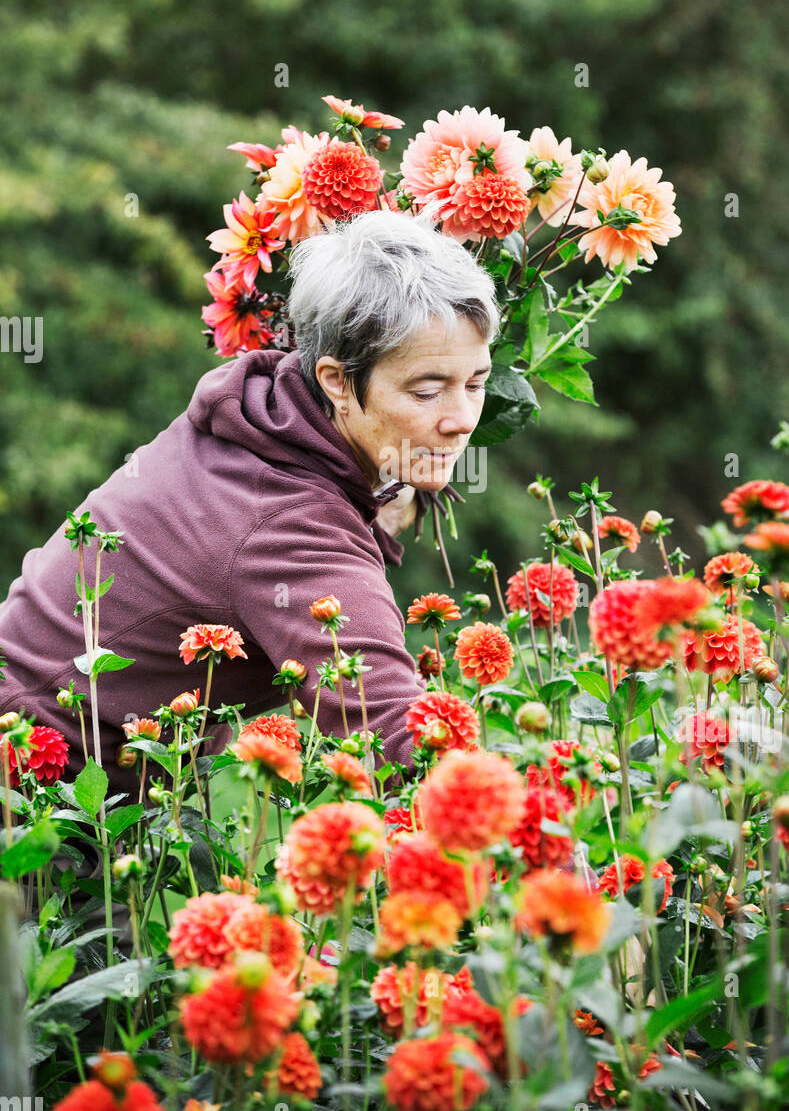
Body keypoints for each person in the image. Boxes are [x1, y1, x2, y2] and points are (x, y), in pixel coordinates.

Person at [0, 207, 499, 798]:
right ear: (337, 380)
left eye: (476, 382)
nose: (463, 420)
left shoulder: (259, 416)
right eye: (427, 389)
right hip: (35, 800)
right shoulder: (285, 522)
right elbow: (398, 737)